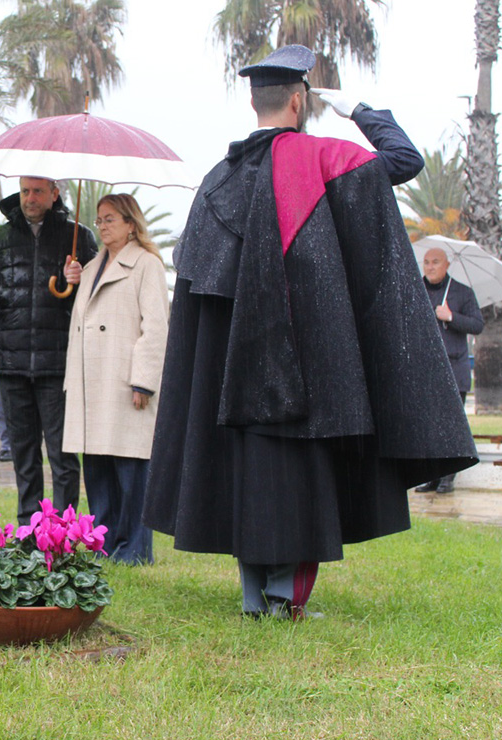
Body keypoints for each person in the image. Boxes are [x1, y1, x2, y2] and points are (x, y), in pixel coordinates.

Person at [144, 45, 477, 620]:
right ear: (298, 100)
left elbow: (198, 286)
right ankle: (284, 599)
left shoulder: (216, 179)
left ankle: (254, 599)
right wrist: (361, 111)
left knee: (246, 470)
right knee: (301, 477)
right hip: (309, 357)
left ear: (254, 101)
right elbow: (403, 159)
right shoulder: (326, 157)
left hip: (233, 374)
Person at [0, 177, 97, 525]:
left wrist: (79, 281)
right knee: (24, 454)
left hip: (57, 362)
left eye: (38, 191)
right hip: (11, 362)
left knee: (62, 454)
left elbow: (93, 299)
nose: (30, 198)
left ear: (54, 194)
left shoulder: (78, 236)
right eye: (25, 191)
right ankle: (29, 528)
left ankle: (63, 529)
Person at [62, 194, 169, 565]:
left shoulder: (146, 264)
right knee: (98, 468)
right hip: (92, 385)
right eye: (99, 219)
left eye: (110, 219)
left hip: (125, 382)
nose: (102, 226)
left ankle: (135, 549)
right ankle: (103, 544)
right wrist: (71, 279)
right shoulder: (89, 268)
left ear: (130, 222)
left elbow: (156, 327)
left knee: (131, 468)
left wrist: (144, 380)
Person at [417, 247, 484, 493]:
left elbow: (477, 325)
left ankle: (448, 477)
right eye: (426, 262)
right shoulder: (416, 291)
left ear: (446, 265)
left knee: (451, 426)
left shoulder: (462, 293)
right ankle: (432, 475)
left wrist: (451, 316)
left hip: (454, 370)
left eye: (435, 262)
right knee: (429, 427)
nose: (430, 267)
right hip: (425, 371)